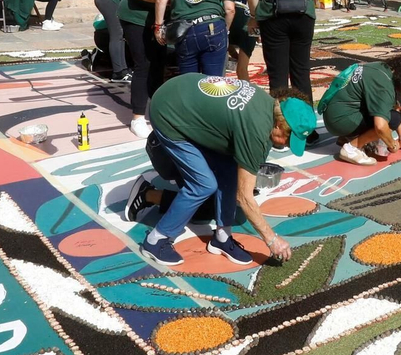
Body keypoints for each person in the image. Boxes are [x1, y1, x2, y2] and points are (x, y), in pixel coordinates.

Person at [130, 74, 316, 266]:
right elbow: (244, 197)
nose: (286, 144)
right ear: (278, 124)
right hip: (167, 110)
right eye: (288, 138)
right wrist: (272, 239)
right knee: (203, 185)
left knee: (229, 170)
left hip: (182, 92)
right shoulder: (257, 131)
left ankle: (221, 237)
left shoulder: (271, 107)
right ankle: (156, 240)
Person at [125, 0, 186, 137]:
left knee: (158, 63)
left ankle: (157, 109)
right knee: (143, 65)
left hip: (154, 17)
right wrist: (166, 1)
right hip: (136, 18)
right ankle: (137, 117)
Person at [321, 54, 401, 165]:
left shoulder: (380, 68)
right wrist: (393, 145)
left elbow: (395, 106)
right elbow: (381, 126)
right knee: (390, 119)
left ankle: (346, 137)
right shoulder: (384, 86)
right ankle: (352, 148)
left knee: (387, 112)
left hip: (334, 113)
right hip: (340, 121)